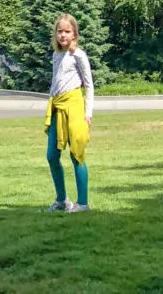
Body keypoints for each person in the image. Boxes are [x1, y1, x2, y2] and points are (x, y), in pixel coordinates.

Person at [44, 12, 93, 213]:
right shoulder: (56, 55)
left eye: (67, 31)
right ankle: (62, 200)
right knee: (52, 155)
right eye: (59, 31)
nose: (63, 35)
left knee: (77, 154)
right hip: (57, 107)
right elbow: (56, 82)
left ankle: (82, 203)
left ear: (74, 34)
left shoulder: (78, 55)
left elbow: (88, 85)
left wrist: (87, 113)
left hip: (74, 107)